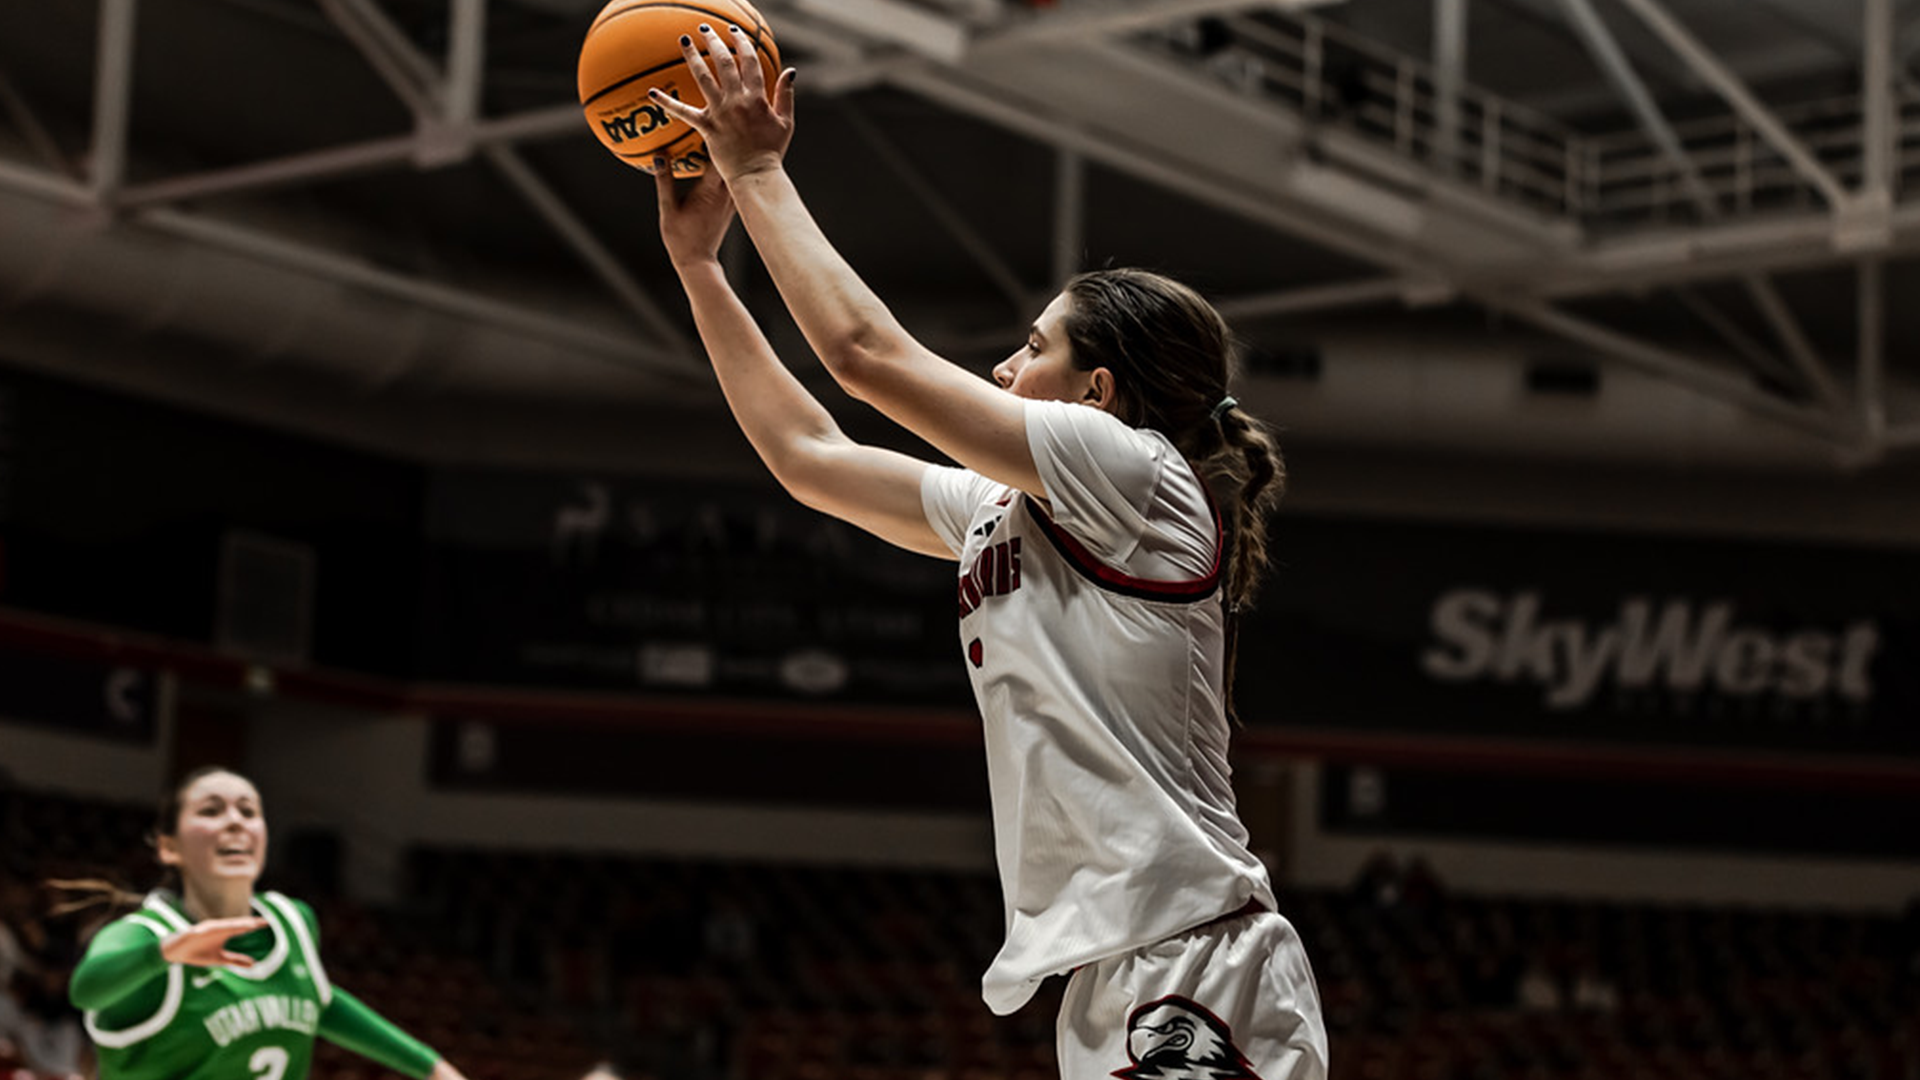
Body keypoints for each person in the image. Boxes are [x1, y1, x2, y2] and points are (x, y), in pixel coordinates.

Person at [645, 24, 1328, 1080]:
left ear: (1097, 393)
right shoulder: (997, 512)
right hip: (1114, 983)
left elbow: (864, 356)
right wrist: (700, 269)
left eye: (1035, 346)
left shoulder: (1135, 471)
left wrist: (759, 169)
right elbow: (808, 453)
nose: (1005, 366)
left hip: (1196, 963)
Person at [57, 767, 471, 1080]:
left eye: (249, 811)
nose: (235, 821)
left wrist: (431, 1067)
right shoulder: (142, 935)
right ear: (169, 847)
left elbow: (320, 1003)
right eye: (211, 810)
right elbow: (85, 989)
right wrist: (166, 953)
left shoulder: (294, 921)